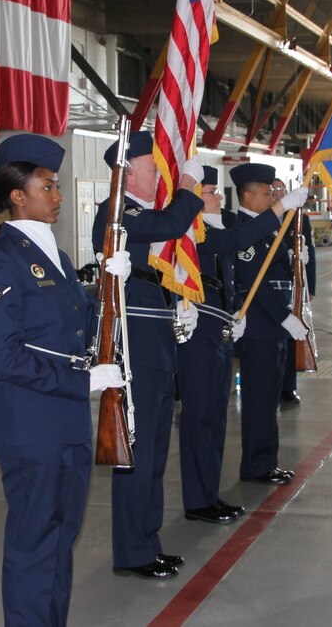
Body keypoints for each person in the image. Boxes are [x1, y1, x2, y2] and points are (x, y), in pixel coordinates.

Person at [0, 134, 130, 627]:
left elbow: (77, 330)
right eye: (49, 185)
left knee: (60, 539)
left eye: (58, 185)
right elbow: (5, 357)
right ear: (18, 195)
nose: (58, 195)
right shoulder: (1, 259)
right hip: (29, 424)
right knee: (33, 543)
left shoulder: (58, 259)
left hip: (65, 424)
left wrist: (109, 284)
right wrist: (83, 381)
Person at [92, 130, 203, 579]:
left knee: (153, 449)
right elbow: (169, 225)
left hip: (152, 337)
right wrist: (189, 188)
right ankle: (133, 550)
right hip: (134, 342)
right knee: (136, 446)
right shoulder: (117, 211)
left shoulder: (138, 212)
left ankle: (145, 542)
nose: (158, 173)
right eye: (152, 166)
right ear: (129, 172)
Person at [178, 166, 299, 523]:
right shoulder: (195, 235)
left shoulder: (214, 229)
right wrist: (282, 209)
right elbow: (235, 246)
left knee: (214, 419)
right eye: (210, 193)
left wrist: (234, 312)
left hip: (220, 332)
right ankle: (200, 500)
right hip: (199, 334)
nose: (218, 198)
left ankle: (207, 496)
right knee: (201, 418)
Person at [230, 163, 308, 485]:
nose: (272, 197)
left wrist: (295, 259)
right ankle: (256, 466)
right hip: (260, 328)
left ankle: (267, 461)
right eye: (266, 193)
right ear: (248, 197)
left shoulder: (266, 228)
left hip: (272, 327)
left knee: (270, 397)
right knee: (259, 401)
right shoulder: (243, 231)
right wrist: (285, 318)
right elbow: (255, 284)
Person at [271, 178, 317, 405]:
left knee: (293, 337)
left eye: (282, 189)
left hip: (293, 286)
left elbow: (311, 253)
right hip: (271, 288)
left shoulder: (299, 218)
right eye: (274, 190)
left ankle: (289, 388)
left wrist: (311, 288)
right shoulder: (264, 218)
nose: (278, 194)